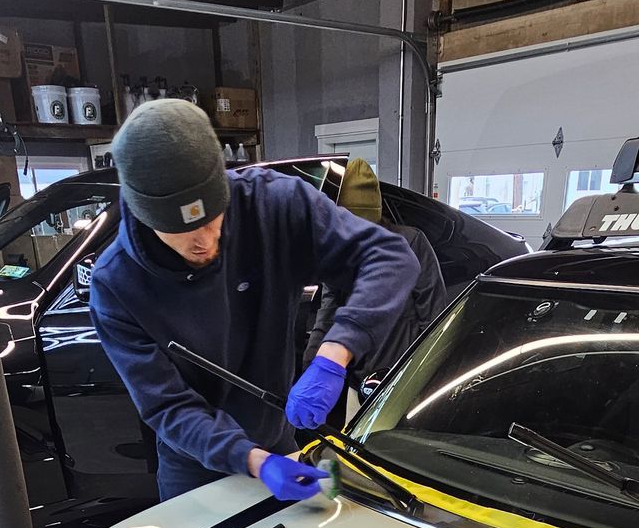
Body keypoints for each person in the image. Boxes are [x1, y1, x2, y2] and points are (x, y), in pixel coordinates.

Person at [87, 99, 421, 501]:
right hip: (194, 465)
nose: (206, 241)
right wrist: (253, 460)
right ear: (146, 216)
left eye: (212, 219)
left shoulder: (273, 205)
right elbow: (168, 407)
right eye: (185, 231)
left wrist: (335, 354)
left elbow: (389, 257)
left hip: (276, 438)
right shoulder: (117, 284)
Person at [303, 157, 448, 418]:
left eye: (366, 228)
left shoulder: (411, 245)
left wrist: (417, 382)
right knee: (351, 454)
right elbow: (327, 317)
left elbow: (435, 322)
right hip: (359, 385)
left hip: (403, 384)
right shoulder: (337, 255)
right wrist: (312, 369)